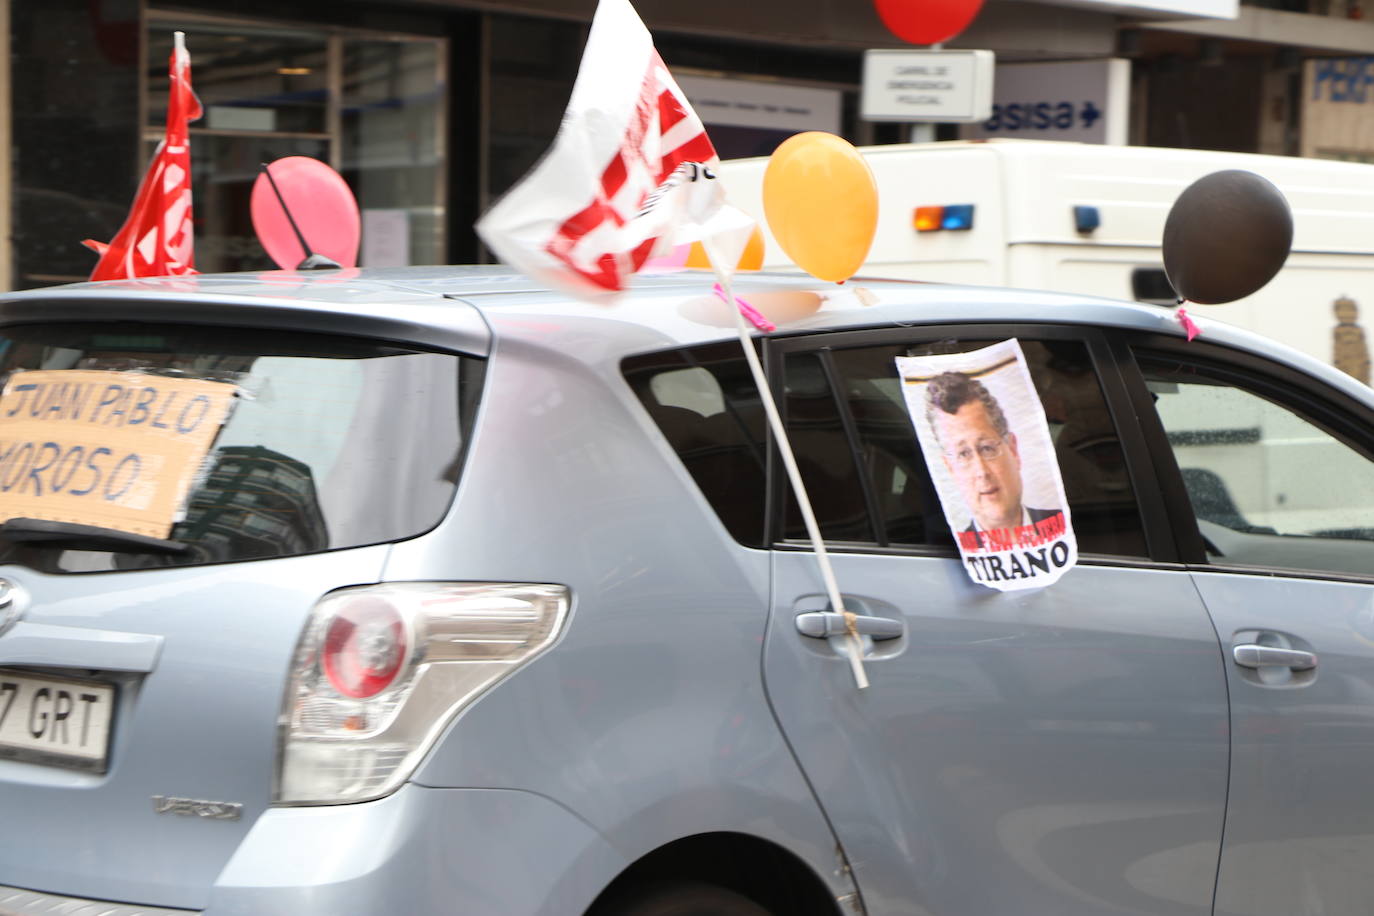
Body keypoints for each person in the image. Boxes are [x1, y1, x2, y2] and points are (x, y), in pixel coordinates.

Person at [924, 370, 1061, 546]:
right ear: (950, 468)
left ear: (1013, 450)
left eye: (987, 448)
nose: (981, 471)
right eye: (963, 454)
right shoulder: (945, 553)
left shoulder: (1073, 528)